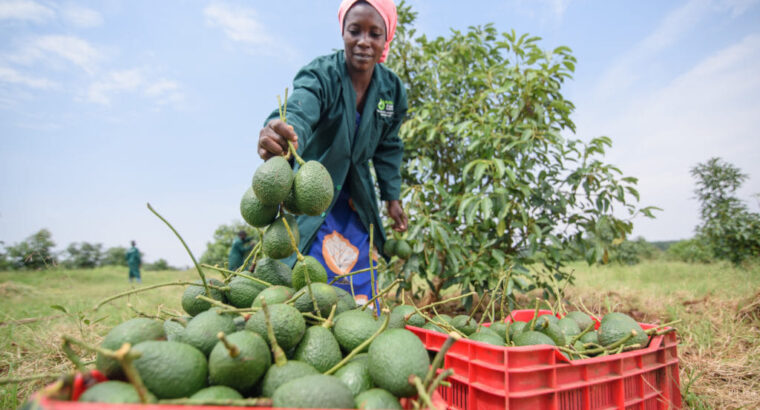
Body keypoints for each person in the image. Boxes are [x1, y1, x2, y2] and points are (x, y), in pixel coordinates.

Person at [257, 0, 408, 309]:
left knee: (359, 282)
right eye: (355, 31)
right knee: (307, 284)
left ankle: (359, 343)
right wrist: (282, 129)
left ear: (386, 38)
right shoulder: (322, 74)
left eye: (374, 33)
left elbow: (389, 146)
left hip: (356, 198)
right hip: (312, 194)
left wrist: (392, 198)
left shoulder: (391, 90)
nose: (364, 41)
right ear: (343, 32)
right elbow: (301, 105)